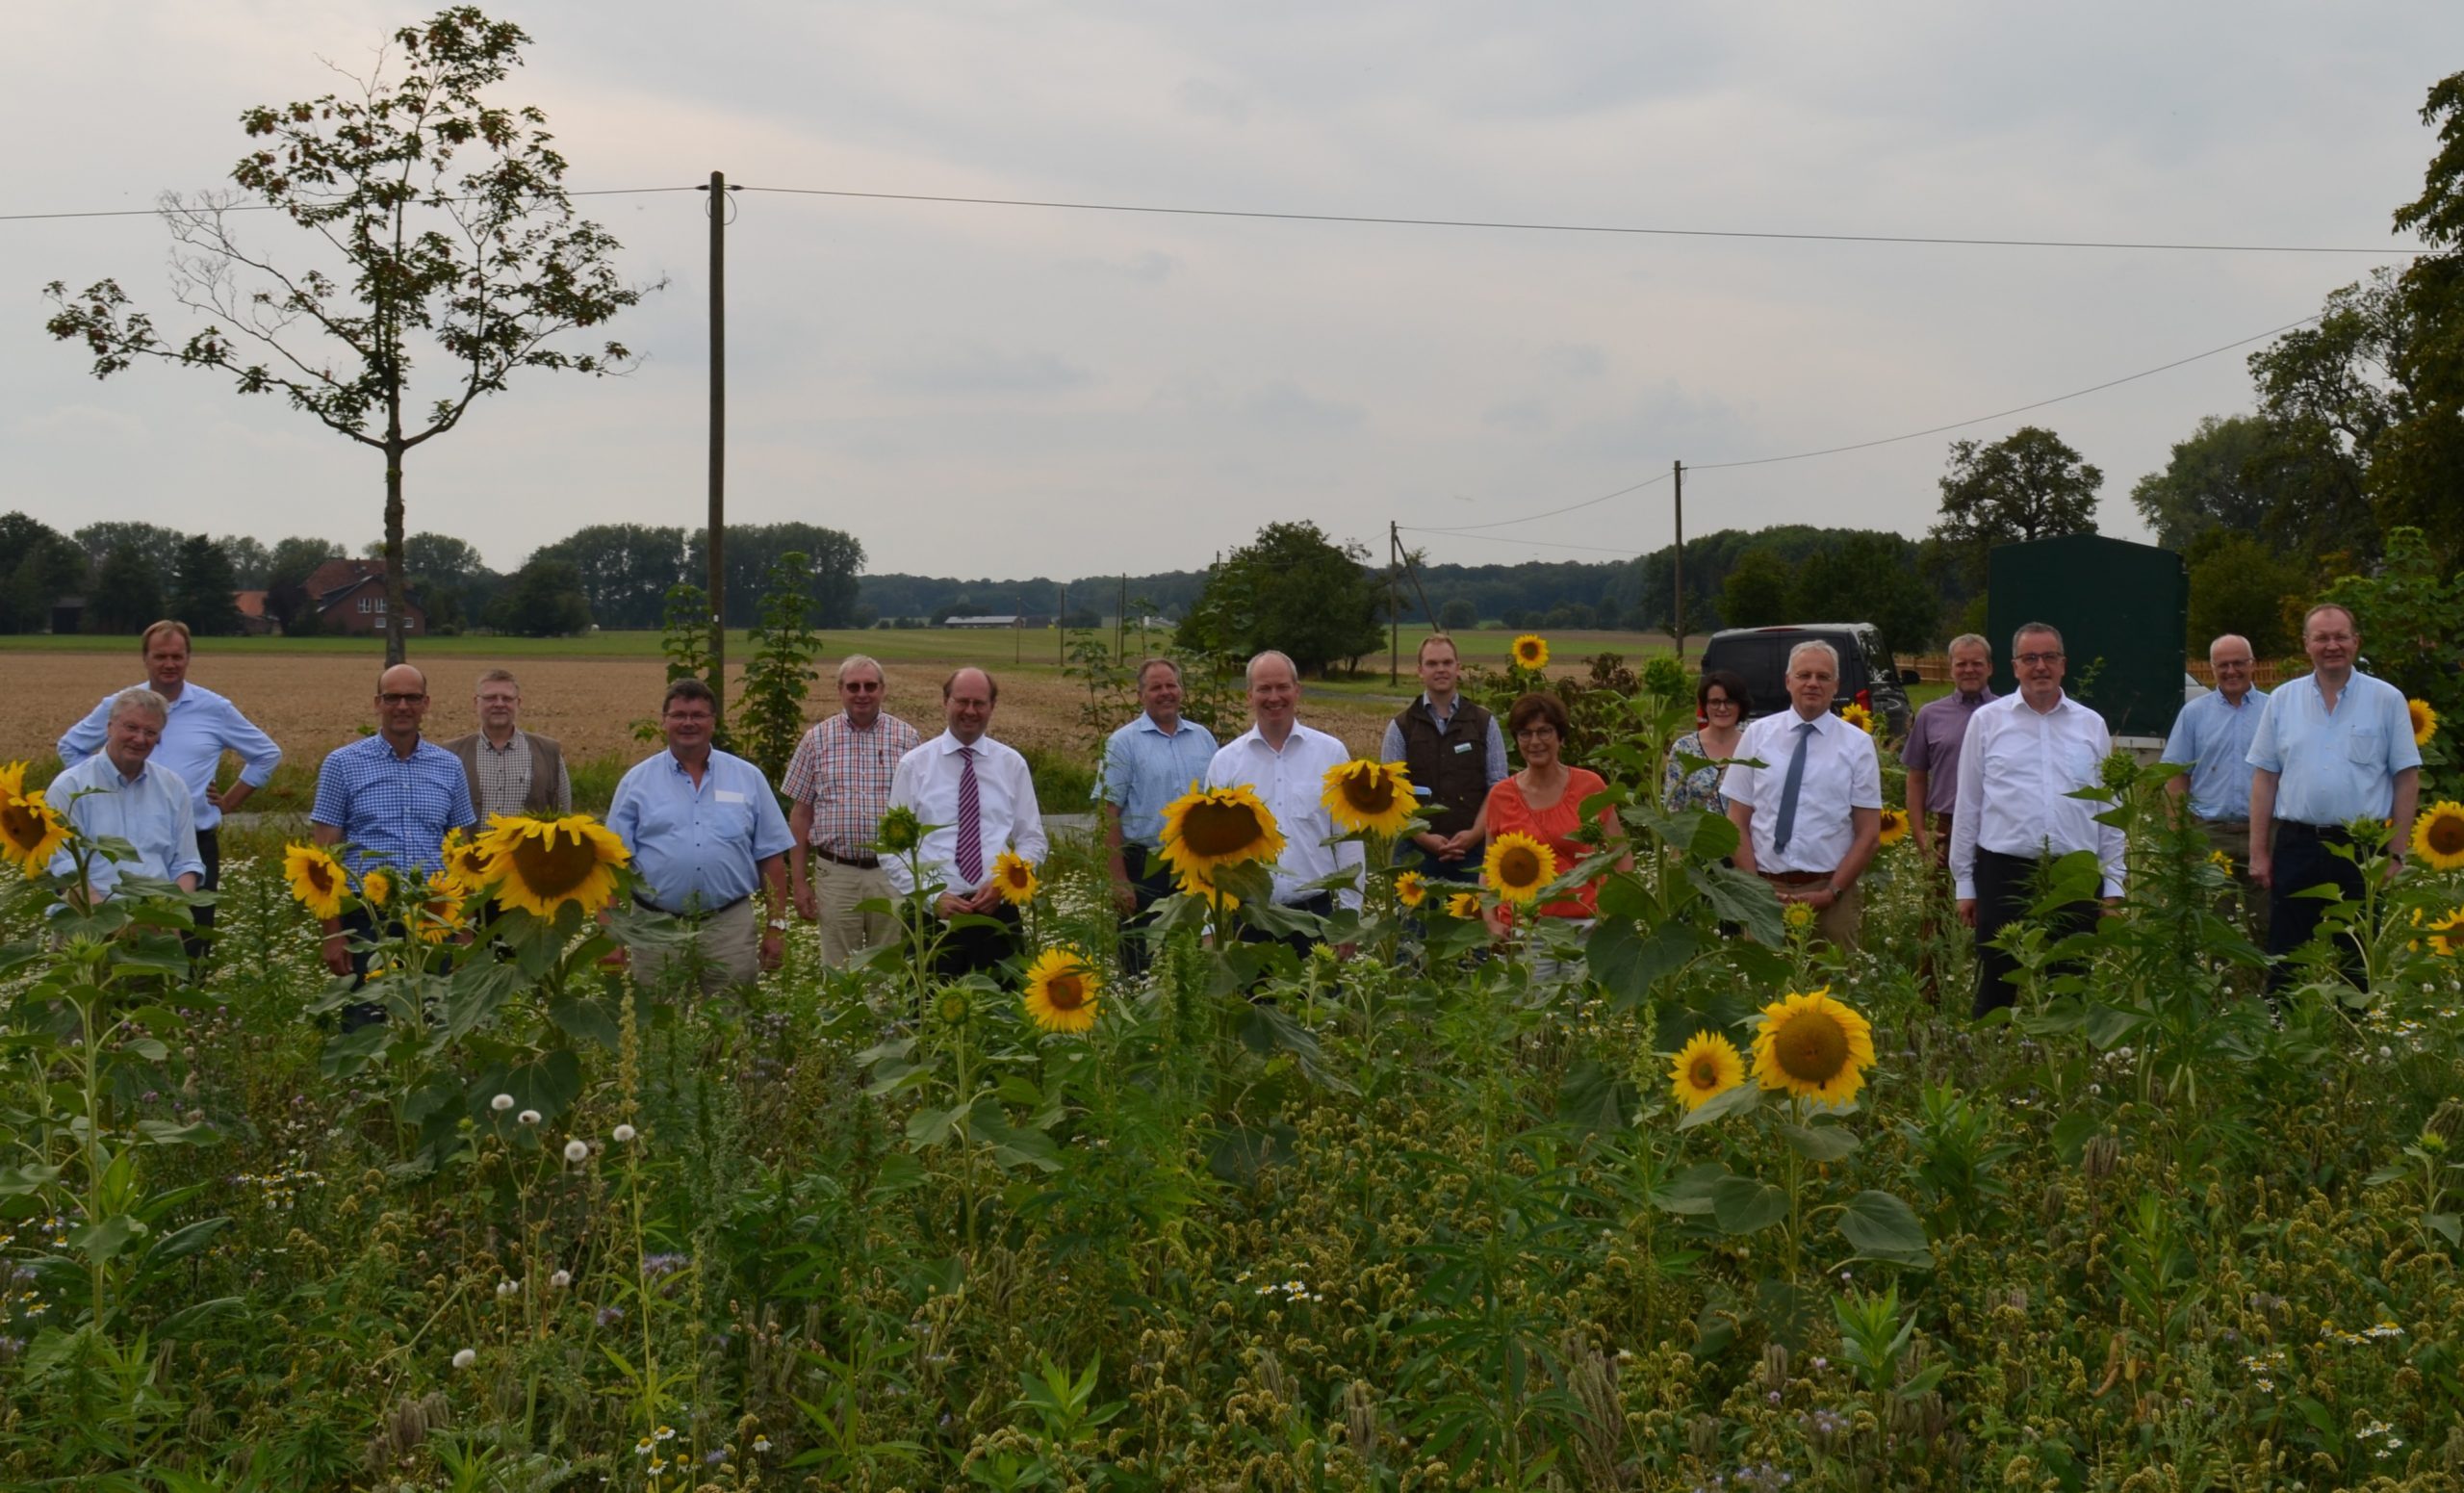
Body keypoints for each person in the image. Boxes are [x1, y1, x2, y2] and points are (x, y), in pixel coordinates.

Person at [58, 619, 280, 958]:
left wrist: (230, 801)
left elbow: (266, 754)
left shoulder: (214, 709)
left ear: (188, 658)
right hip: (119, 847)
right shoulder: (120, 705)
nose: (169, 664)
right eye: (160, 656)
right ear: (145, 659)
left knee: (189, 949)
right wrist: (102, 788)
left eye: (177, 656)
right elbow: (70, 747)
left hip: (189, 849)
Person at [1951, 623, 2125, 1017]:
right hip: (2004, 870)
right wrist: (1965, 882)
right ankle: (1990, 1060)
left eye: (2049, 657)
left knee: (2072, 981)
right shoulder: (1987, 721)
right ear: (2014, 667)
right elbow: (1969, 804)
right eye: (2030, 658)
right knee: (1996, 983)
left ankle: (2066, 1067)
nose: (2040, 666)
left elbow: (2109, 811)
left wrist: (2113, 885)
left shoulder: (2090, 724)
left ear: (2064, 665)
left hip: (2074, 873)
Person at [2246, 603, 2420, 993]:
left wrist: (2396, 852)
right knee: (2286, 953)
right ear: (2306, 644)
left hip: (2362, 848)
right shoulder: (2282, 700)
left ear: (2356, 642)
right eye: (2322, 637)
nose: (2332, 645)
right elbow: (2265, 778)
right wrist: (2259, 851)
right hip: (2297, 845)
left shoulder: (2387, 700)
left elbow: (2406, 777)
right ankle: (2282, 1034)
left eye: (2340, 636)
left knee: (2358, 956)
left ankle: (2356, 1041)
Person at [606, 678, 795, 994]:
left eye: (698, 715)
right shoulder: (636, 783)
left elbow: (772, 858)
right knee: (658, 1027)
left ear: (713, 722)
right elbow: (611, 865)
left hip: (728, 928)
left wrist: (776, 926)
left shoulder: (748, 778)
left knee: (732, 1028)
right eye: (679, 715)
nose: (688, 722)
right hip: (655, 929)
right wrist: (610, 935)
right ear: (663, 721)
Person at [309, 664, 476, 985]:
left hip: (433, 911)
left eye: (412, 697)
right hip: (368, 915)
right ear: (377, 703)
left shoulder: (449, 766)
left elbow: (462, 853)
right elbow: (324, 858)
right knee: (367, 1015)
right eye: (392, 697)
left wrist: (465, 931)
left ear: (426, 703)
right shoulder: (342, 764)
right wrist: (332, 933)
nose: (402, 706)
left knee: (433, 1013)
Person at [883, 668, 1047, 976]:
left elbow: (1033, 840)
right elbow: (893, 851)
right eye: (962, 701)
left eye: (979, 703)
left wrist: (1006, 884)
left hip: (998, 913)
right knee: (928, 1015)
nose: (970, 711)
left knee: (1005, 1014)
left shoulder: (1012, 764)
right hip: (935, 921)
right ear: (945, 702)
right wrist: (933, 898)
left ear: (992, 707)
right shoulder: (914, 766)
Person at [1722, 641, 1884, 949]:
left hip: (1832, 893)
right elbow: (1736, 820)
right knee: (1767, 991)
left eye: (1823, 677)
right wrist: (1755, 886)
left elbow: (1869, 834)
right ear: (1788, 681)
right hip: (1765, 892)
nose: (1812, 683)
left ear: (1836, 685)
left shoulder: (1857, 745)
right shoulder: (1757, 735)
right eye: (1804, 675)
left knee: (1834, 991)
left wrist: (1832, 891)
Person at [1203, 650, 1363, 955]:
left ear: (1297, 690)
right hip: (1248, 919)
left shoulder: (1331, 755)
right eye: (1264, 688)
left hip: (1317, 917)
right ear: (1249, 695)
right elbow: (1211, 852)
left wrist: (1350, 918)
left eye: (1282, 687)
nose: (1274, 697)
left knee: (1319, 1001)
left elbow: (1350, 841)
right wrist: (1210, 927)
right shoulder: (1225, 763)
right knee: (1252, 1003)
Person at [782, 655, 921, 965]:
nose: (862, 693)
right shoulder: (816, 740)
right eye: (853, 686)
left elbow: (922, 811)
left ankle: (884, 1017)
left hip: (891, 872)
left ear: (883, 689)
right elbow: (800, 814)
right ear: (840, 690)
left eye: (870, 686)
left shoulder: (907, 739)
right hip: (836, 873)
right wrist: (800, 882)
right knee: (839, 970)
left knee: (888, 968)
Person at [1466, 693, 1622, 947]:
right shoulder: (1501, 796)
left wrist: (1614, 914)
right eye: (1525, 733)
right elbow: (1489, 868)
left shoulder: (1590, 786)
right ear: (1516, 741)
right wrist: (1491, 920)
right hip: (1526, 928)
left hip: (1586, 926)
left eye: (1544, 731)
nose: (1535, 741)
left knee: (1583, 989)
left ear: (1560, 737)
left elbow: (1620, 852)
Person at [1098, 658, 1219, 975]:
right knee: (1141, 960)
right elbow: (1109, 813)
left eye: (1171, 685)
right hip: (1144, 867)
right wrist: (1118, 879)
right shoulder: (1123, 743)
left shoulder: (1203, 739)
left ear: (1181, 690)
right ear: (1140, 695)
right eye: (1156, 687)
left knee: (1194, 958)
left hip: (1196, 866)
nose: (1166, 693)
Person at [46, 687, 204, 911]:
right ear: (109, 727)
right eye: (131, 727)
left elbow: (186, 864)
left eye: (150, 732)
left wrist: (172, 914)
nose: (139, 739)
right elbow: (64, 870)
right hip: (86, 925)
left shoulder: (173, 787)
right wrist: (110, 923)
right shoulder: (70, 788)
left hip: (156, 923)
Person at [1379, 635, 1507, 880]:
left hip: (1475, 854)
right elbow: (1393, 794)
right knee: (1416, 919)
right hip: (1415, 855)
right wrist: (1423, 837)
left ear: (1457, 668)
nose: (1440, 669)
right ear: (1420, 671)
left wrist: (1474, 834)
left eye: (1447, 662)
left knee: (1474, 918)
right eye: (1432, 663)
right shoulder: (1400, 727)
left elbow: (1498, 787)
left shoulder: (1484, 723)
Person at [2160, 634, 2269, 911]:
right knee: (2213, 926)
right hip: (2210, 835)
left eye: (2238, 663)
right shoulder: (2194, 714)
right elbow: (2176, 776)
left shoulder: (2274, 710)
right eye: (2223, 665)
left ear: (2252, 664)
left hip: (2266, 834)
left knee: (2267, 923)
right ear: (2212, 668)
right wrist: (2180, 836)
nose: (2231, 671)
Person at [1901, 634, 1996, 866]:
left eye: (1977, 663)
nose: (1969, 670)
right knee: (1939, 900)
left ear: (1990, 668)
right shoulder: (1930, 715)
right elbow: (1916, 779)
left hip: (1996, 826)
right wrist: (1920, 833)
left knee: (1992, 902)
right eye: (1961, 664)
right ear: (1951, 668)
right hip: (1946, 827)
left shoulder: (2006, 715)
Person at [441, 669, 571, 822]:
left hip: (528, 846)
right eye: (490, 698)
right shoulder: (451, 753)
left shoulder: (549, 752)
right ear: (476, 702)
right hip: (470, 846)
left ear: (518, 703)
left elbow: (564, 812)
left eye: (507, 698)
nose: (499, 704)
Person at [1662, 670, 1749, 813]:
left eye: (1729, 702)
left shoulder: (1752, 748)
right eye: (1715, 702)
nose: (1722, 708)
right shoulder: (1683, 749)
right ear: (1704, 705)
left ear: (1740, 706)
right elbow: (1673, 807)